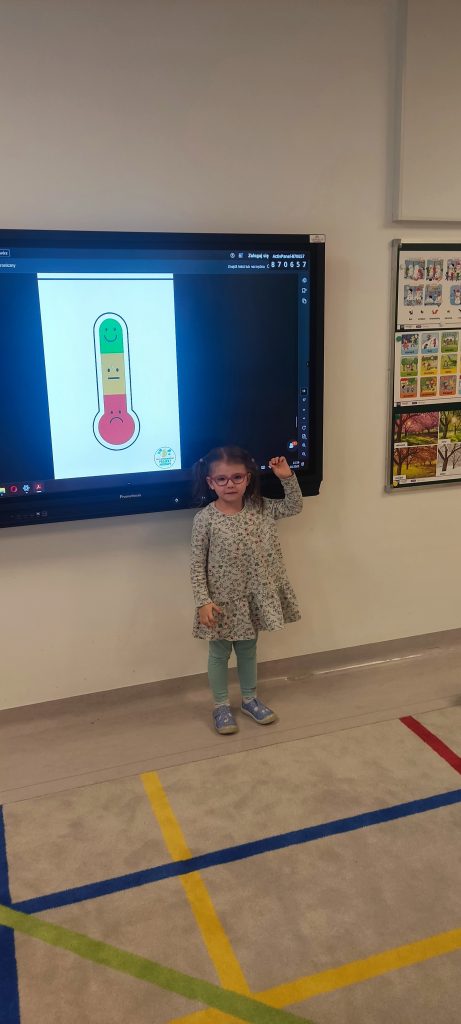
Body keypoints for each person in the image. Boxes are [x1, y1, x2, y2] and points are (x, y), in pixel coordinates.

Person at [190, 445, 302, 735]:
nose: (230, 484)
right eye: (222, 479)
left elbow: (294, 506)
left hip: (254, 599)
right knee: (219, 654)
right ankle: (221, 705)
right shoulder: (205, 519)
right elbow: (197, 564)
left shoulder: (261, 508)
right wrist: (203, 601)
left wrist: (286, 476)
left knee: (248, 650)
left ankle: (249, 699)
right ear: (211, 482)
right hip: (222, 603)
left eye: (237, 477)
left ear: (248, 478)